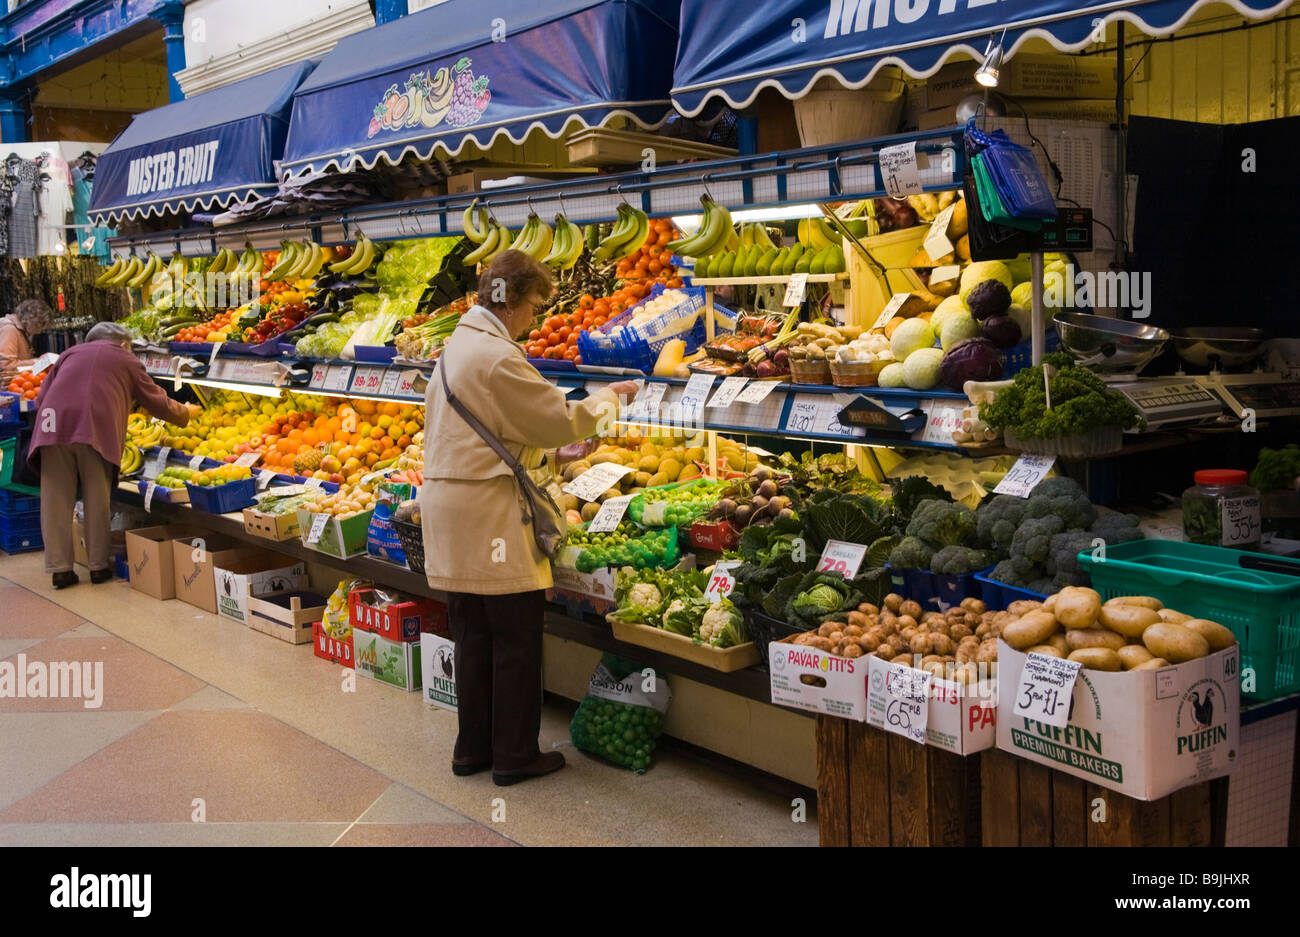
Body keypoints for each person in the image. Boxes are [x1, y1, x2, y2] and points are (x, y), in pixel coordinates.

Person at [420, 250, 639, 786]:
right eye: (536, 305)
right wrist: (611, 396)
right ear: (511, 300)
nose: (537, 318)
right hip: (489, 515)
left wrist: (544, 458)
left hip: (453, 510)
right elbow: (557, 419)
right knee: (516, 636)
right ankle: (516, 755)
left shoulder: (458, 348)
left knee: (473, 634)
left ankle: (471, 749)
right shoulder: (497, 357)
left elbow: (490, 433)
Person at [28, 321, 200, 589]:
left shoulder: (69, 354)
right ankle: (98, 566)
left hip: (51, 428)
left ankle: (59, 568)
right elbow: (155, 401)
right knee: (97, 498)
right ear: (122, 344)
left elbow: (40, 400)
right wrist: (185, 413)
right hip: (93, 429)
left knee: (55, 500)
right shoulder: (123, 357)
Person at [0, 298, 53, 384]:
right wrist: (37, 361)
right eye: (40, 325)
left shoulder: (19, 330)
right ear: (31, 320)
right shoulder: (9, 329)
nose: (40, 331)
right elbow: (6, 367)